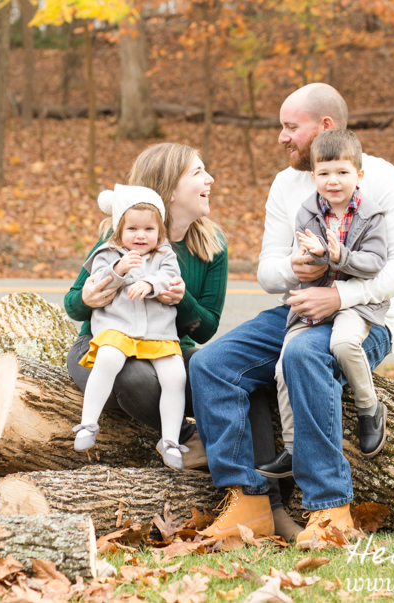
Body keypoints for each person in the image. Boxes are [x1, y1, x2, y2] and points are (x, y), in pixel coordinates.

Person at [190, 84, 394, 546]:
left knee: (304, 356)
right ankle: (250, 502)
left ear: (325, 127)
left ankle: (330, 509)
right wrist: (292, 268)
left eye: (291, 127)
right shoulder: (286, 184)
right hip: (300, 308)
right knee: (211, 365)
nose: (281, 137)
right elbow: (267, 270)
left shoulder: (380, 176)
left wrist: (341, 298)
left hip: (365, 319)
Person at [64, 143, 305, 539]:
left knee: (244, 378)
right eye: (198, 172)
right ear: (169, 190)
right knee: (134, 376)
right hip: (102, 349)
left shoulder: (211, 246)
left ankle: (268, 505)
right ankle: (195, 442)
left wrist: (181, 300)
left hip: (164, 348)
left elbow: (205, 328)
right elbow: (74, 304)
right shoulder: (123, 234)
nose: (209, 179)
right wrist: (88, 297)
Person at [255, 129, 389, 482]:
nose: (333, 181)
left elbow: (375, 263)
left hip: (354, 305)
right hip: (314, 300)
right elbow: (305, 261)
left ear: (358, 175)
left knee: (343, 344)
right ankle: (293, 447)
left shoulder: (372, 215)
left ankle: (369, 407)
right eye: (325, 173)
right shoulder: (307, 213)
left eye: (343, 172)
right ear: (313, 176)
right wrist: (309, 260)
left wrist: (338, 256)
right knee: (284, 366)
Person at [72, 185, 188, 470]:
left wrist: (150, 283)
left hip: (158, 332)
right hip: (118, 328)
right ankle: (88, 423)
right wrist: (119, 270)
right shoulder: (107, 253)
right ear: (118, 231)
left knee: (175, 376)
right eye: (132, 229)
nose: (140, 235)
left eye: (149, 229)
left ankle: (171, 440)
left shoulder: (165, 255)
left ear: (159, 232)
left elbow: (171, 278)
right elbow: (98, 281)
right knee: (108, 357)